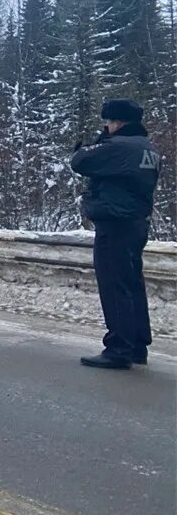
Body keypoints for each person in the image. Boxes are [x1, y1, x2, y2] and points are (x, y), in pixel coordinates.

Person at [71, 99, 160, 369]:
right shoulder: (149, 149)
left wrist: (93, 143)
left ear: (119, 122)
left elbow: (80, 160)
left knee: (114, 284)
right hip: (136, 222)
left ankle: (118, 347)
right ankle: (137, 345)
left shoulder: (119, 146)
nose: (106, 127)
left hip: (114, 222)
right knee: (132, 283)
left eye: (107, 123)